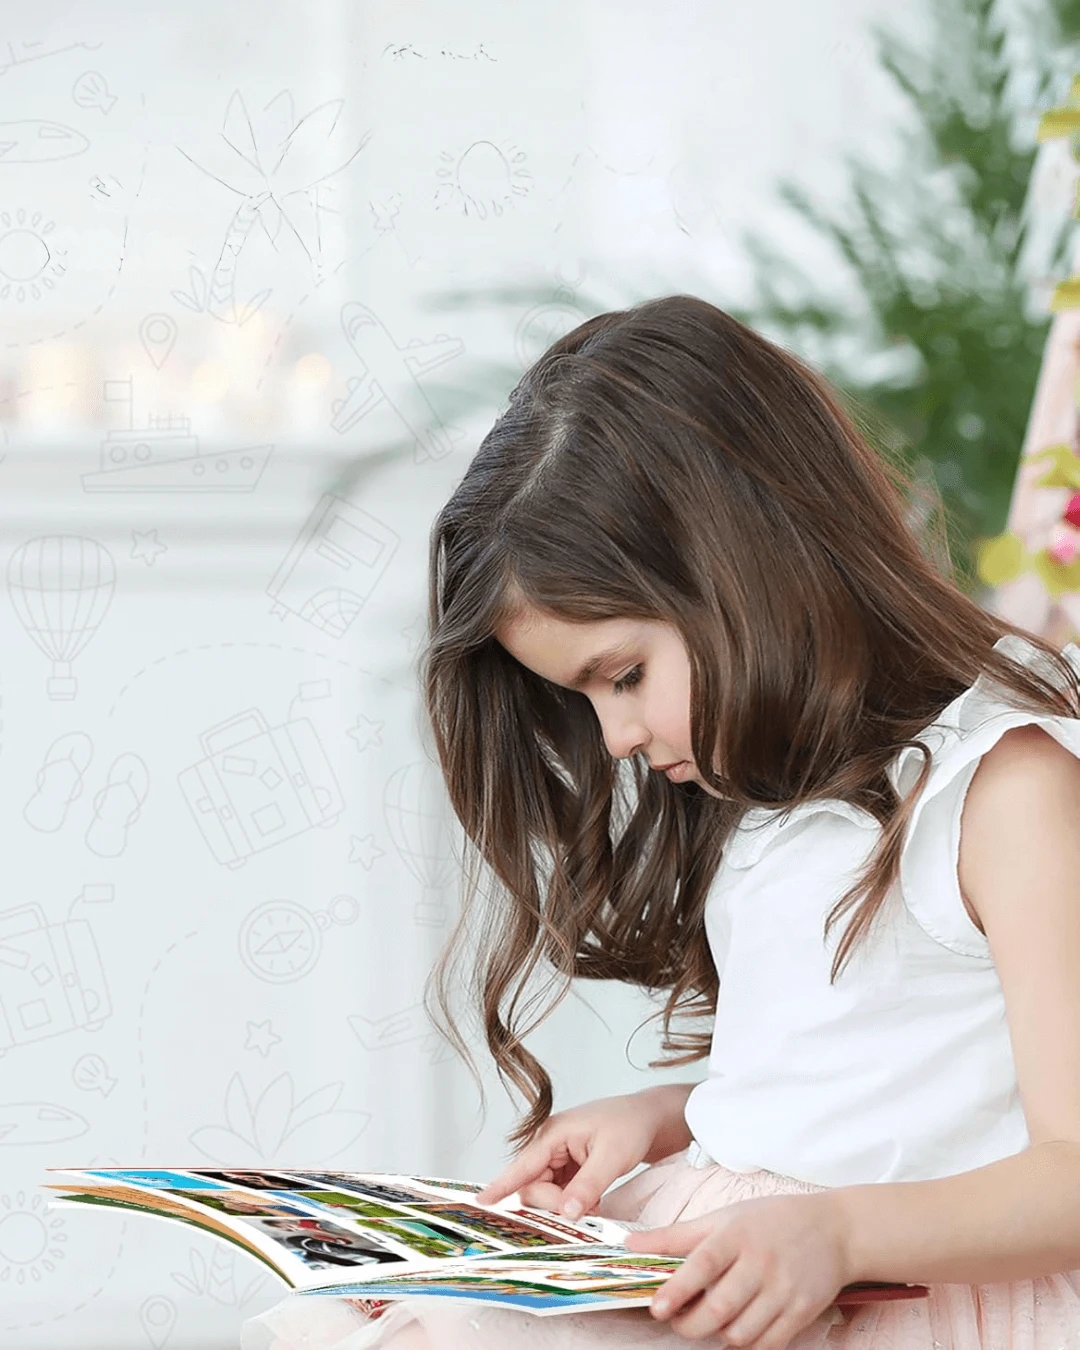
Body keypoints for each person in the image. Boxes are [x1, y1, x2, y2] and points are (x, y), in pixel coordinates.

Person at [242, 295, 1080, 1350]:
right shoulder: (770, 791)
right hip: (751, 1247)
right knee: (339, 1323)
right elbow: (879, 1070)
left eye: (625, 676)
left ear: (748, 564)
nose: (618, 740)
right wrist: (669, 1116)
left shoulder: (1007, 793)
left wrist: (838, 1232)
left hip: (894, 1285)